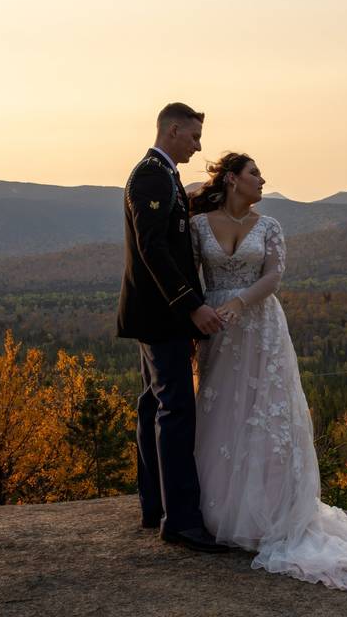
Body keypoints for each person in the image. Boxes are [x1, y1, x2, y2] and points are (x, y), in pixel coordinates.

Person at [188, 153, 347, 589]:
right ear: (233, 179)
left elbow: (274, 276)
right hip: (218, 330)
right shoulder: (199, 225)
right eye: (254, 173)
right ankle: (219, 511)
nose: (262, 179)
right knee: (221, 411)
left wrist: (240, 303)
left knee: (269, 411)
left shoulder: (270, 225)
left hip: (260, 325)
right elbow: (191, 276)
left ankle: (271, 512)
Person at [116, 102, 227, 553]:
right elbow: (153, 248)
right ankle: (180, 520)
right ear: (174, 130)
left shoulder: (165, 176)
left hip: (155, 314)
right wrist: (191, 307)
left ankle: (155, 505)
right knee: (176, 410)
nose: (199, 145)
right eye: (195, 136)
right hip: (163, 315)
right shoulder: (151, 176)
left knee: (152, 405)